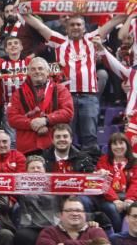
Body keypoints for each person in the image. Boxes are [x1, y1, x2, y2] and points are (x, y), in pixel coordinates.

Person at [22, 11, 122, 153]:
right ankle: (67, 168)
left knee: (90, 136)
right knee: (66, 135)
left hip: (89, 96)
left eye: (78, 24)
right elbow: (38, 26)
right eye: (72, 25)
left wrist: (130, 8)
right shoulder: (59, 41)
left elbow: (113, 22)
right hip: (65, 98)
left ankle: (89, 168)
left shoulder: (92, 38)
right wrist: (22, 10)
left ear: (84, 28)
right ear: (66, 28)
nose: (75, 27)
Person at [7, 58, 74, 156]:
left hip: (53, 146)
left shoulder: (60, 89)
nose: (37, 71)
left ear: (47, 72)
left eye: (40, 68)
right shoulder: (18, 93)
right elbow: (12, 118)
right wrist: (31, 123)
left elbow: (68, 112)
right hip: (27, 147)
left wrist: (46, 120)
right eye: (33, 69)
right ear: (28, 72)